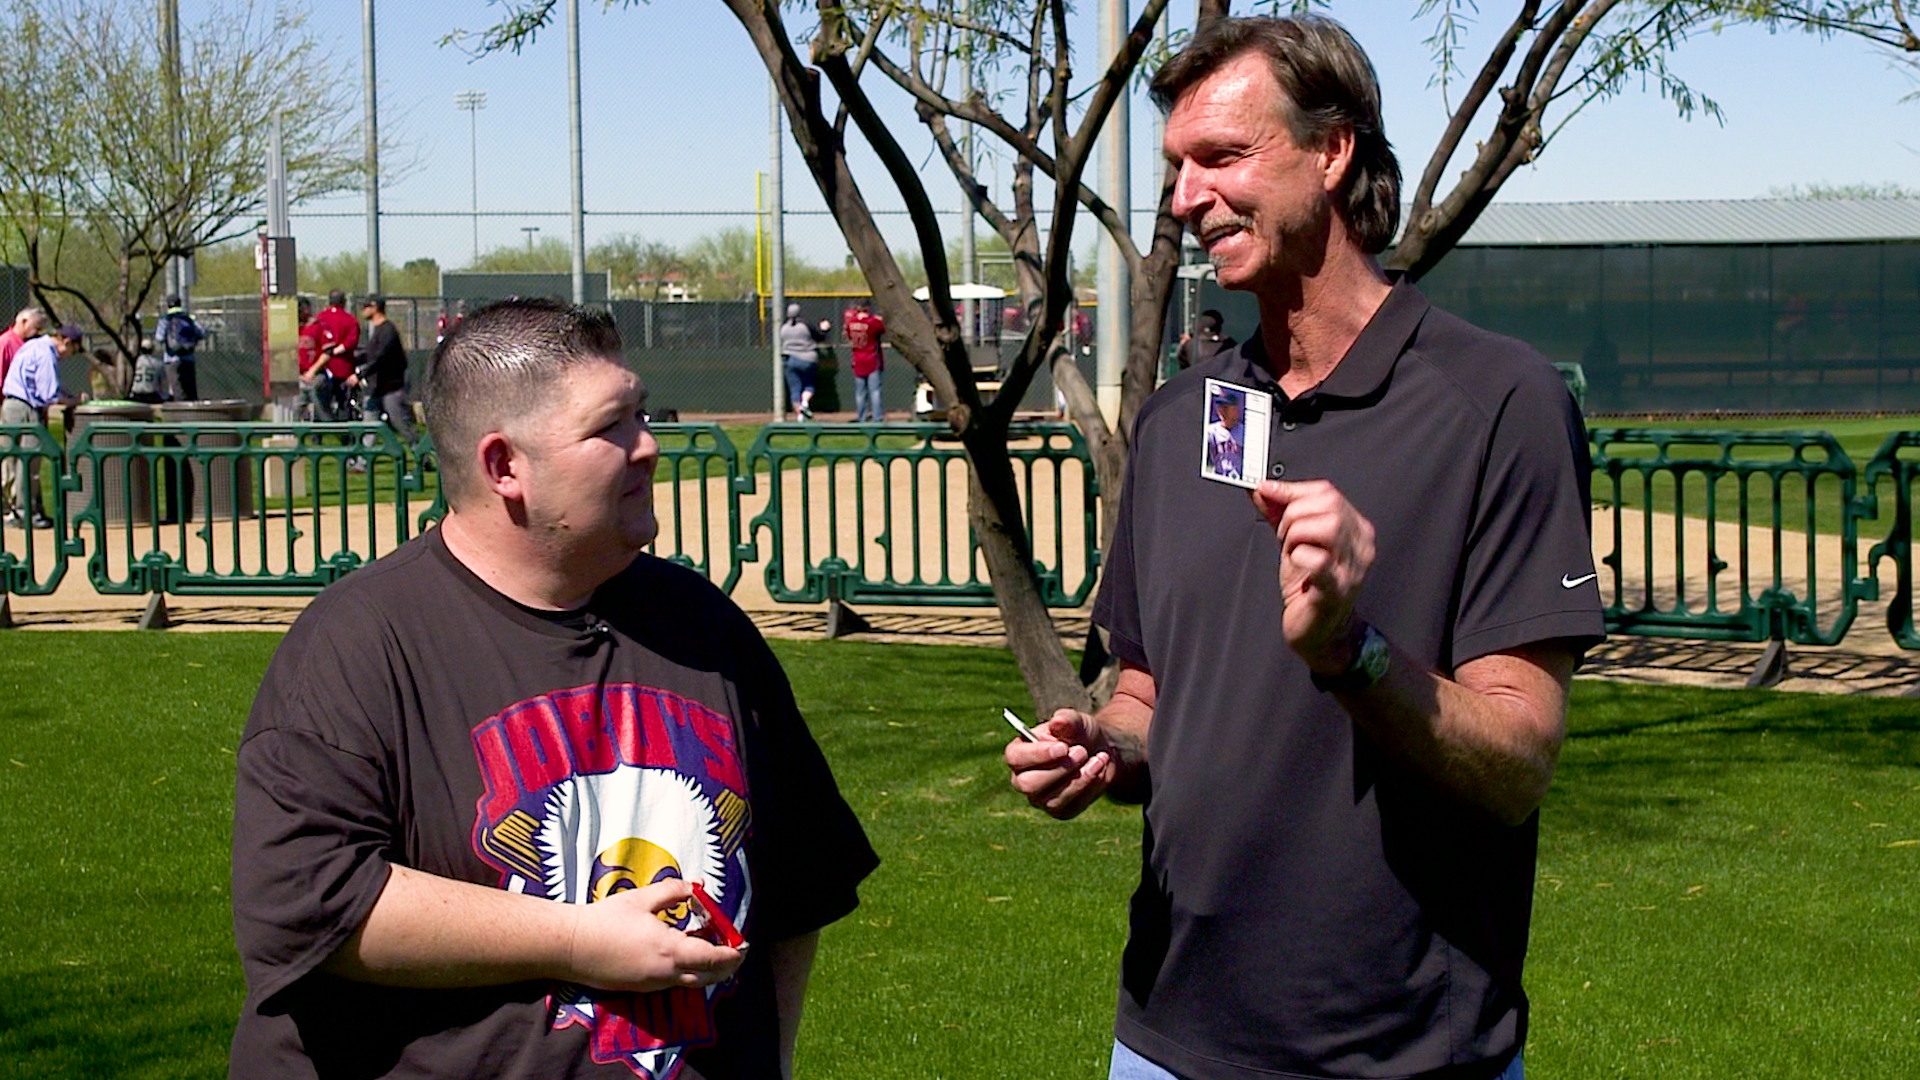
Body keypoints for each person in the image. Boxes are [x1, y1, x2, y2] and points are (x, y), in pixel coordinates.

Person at [1005, 16, 1603, 1080]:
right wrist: (1103, 747)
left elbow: (1520, 764)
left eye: (1223, 158)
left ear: (1332, 152)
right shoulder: (1185, 414)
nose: (1187, 198)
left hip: (1401, 1055)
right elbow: (1146, 692)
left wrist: (1350, 650)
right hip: (1162, 1040)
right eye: (1178, 167)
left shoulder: (1499, 403)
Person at [229, 297, 878, 1080]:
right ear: (506, 467)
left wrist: (765, 1061)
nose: (649, 447)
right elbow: (309, 906)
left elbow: (797, 881)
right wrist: (580, 940)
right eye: (612, 428)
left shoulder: (705, 627)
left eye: (642, 414)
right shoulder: (360, 644)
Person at [0, 323, 81, 528]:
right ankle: (26, 514)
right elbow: (49, 395)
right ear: (67, 342)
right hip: (24, 409)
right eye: (73, 350)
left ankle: (18, 511)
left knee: (15, 461)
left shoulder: (34, 345)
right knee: (30, 462)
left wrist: (67, 394)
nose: (69, 356)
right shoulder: (47, 354)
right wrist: (74, 401)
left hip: (11, 406)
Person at [348, 295, 417, 442]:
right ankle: (362, 463)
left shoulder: (388, 330)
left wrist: (359, 375)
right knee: (370, 425)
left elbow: (381, 359)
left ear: (375, 307)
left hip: (392, 387)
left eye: (366, 306)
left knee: (401, 423)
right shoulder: (377, 331)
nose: (363, 310)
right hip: (377, 387)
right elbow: (369, 355)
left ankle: (423, 457)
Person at [314, 288, 361, 417]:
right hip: (343, 368)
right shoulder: (350, 320)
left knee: (321, 403)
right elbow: (350, 343)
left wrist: (327, 353)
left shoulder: (319, 319)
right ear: (344, 302)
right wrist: (335, 351)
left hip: (323, 367)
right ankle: (344, 433)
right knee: (343, 403)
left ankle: (317, 434)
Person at [777, 303, 827, 421]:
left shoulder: (784, 328)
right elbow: (819, 337)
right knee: (809, 385)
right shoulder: (805, 326)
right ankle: (805, 403)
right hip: (807, 359)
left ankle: (799, 416)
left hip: (789, 359)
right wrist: (824, 329)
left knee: (795, 388)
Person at [842, 298, 887, 422]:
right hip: (872, 359)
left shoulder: (851, 322)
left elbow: (849, 335)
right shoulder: (872, 322)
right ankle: (877, 418)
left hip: (858, 360)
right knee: (875, 392)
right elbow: (882, 328)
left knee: (860, 393)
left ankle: (861, 417)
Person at [157, 294, 205, 401]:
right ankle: (194, 414)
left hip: (171, 359)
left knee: (177, 391)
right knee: (191, 391)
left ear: (167, 305)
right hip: (188, 359)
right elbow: (202, 333)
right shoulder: (188, 318)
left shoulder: (165, 319)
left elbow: (159, 338)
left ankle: (180, 414)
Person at [0, 306, 47, 389]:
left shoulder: (31, 344)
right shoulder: (5, 343)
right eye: (36, 328)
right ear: (24, 322)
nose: (38, 333)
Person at [1201, 388, 1242, 481]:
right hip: (1218, 477)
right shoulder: (1211, 431)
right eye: (1220, 407)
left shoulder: (1246, 433)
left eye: (1226, 407)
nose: (1221, 411)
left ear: (1236, 410)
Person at [129, 338, 167, 405]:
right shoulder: (158, 363)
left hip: (136, 394)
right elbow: (163, 383)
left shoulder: (135, 362)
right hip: (151, 395)